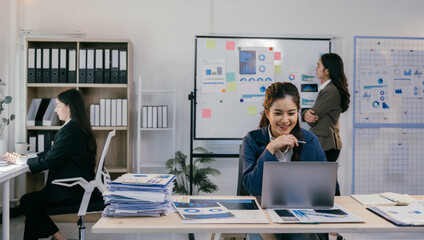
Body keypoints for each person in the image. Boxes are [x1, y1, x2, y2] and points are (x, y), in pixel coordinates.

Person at [241, 82, 328, 240]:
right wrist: (270, 149)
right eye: (278, 113)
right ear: (267, 113)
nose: (285, 120)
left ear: (297, 113)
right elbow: (253, 187)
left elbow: (328, 188)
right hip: (264, 217)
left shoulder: (310, 141)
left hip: (303, 218)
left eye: (291, 113)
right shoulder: (252, 140)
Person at [19, 88, 97, 240]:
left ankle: (59, 237)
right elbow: (55, 152)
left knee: (27, 202)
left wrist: (26, 161)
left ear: (69, 107)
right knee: (33, 205)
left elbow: (50, 160)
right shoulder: (76, 127)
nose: (55, 110)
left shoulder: (70, 130)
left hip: (69, 190)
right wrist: (28, 157)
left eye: (58, 105)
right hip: (78, 187)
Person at [302, 53, 350, 196]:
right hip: (326, 143)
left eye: (318, 66)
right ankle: (335, 208)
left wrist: (304, 114)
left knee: (328, 183)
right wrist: (305, 114)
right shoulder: (329, 88)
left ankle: (337, 210)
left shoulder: (331, 91)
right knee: (327, 181)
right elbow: (310, 115)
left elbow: (313, 115)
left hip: (326, 144)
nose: (316, 69)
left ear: (327, 70)